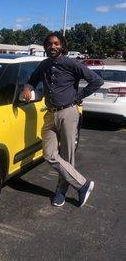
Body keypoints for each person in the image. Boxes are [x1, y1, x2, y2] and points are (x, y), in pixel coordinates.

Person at [21, 32, 104, 207]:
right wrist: (27, 88)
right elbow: (32, 80)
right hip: (50, 113)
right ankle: (83, 185)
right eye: (50, 44)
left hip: (68, 112)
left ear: (62, 46)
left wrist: (78, 96)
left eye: (57, 43)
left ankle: (61, 193)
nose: (53, 46)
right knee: (49, 154)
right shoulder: (44, 65)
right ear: (45, 46)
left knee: (67, 156)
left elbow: (96, 81)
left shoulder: (71, 63)